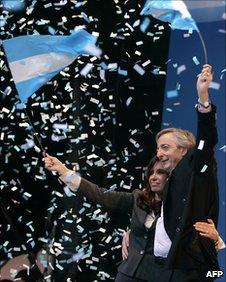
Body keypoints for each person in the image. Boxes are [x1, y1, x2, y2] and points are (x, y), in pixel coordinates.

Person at [44, 64, 220, 281]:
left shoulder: (193, 177)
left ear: (183, 150)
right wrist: (63, 170)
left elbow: (206, 140)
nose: (159, 154)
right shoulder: (139, 198)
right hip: (130, 274)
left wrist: (203, 98)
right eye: (157, 149)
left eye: (165, 147)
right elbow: (101, 194)